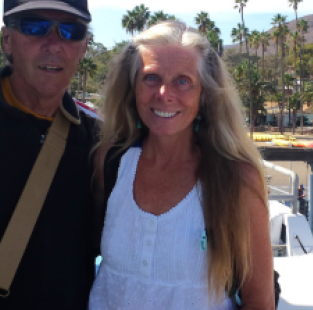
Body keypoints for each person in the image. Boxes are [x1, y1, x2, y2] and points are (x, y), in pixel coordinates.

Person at [90, 21, 274, 309]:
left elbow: (259, 301)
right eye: (151, 78)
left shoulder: (236, 178)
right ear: (132, 88)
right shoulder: (111, 162)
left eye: (183, 81)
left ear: (205, 95)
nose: (165, 94)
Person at [0, 0, 101, 310]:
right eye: (34, 26)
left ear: (84, 46)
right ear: (7, 40)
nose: (54, 43)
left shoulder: (101, 137)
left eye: (70, 31)